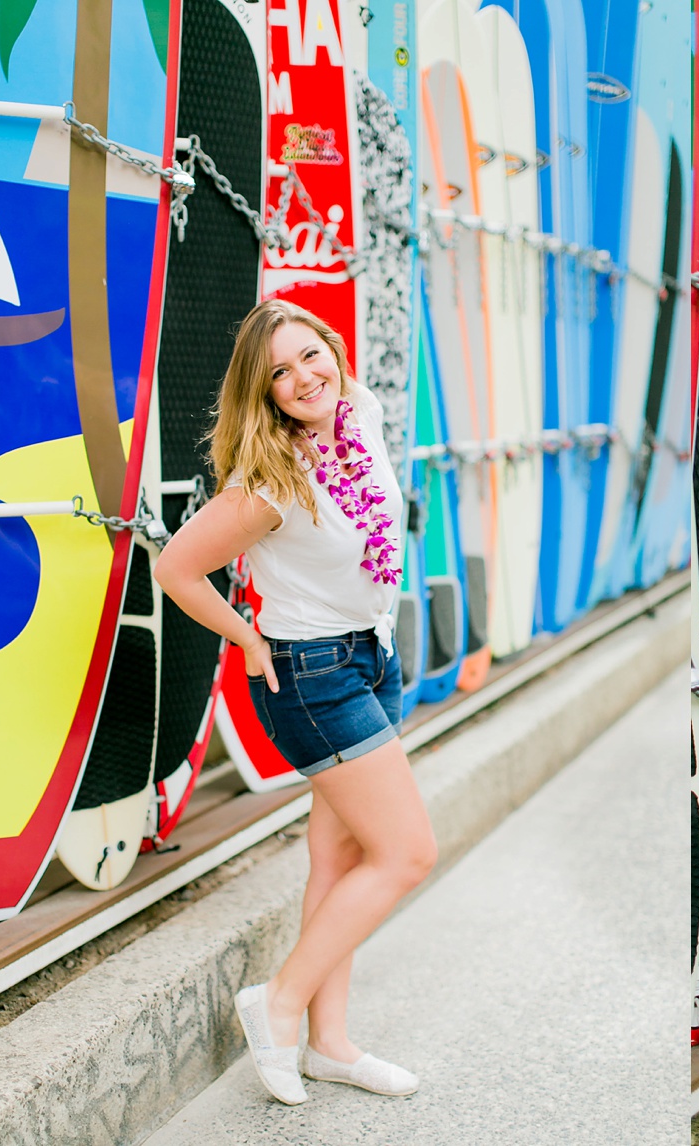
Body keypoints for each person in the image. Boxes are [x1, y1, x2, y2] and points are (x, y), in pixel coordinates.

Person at [154, 300, 437, 1106]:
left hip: (369, 655)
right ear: (265, 393)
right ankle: (276, 1005)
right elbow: (176, 568)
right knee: (408, 853)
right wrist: (246, 637)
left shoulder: (361, 415)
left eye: (311, 355)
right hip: (311, 677)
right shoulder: (269, 483)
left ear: (333, 350)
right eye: (281, 372)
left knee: (342, 857)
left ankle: (331, 1045)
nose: (305, 377)